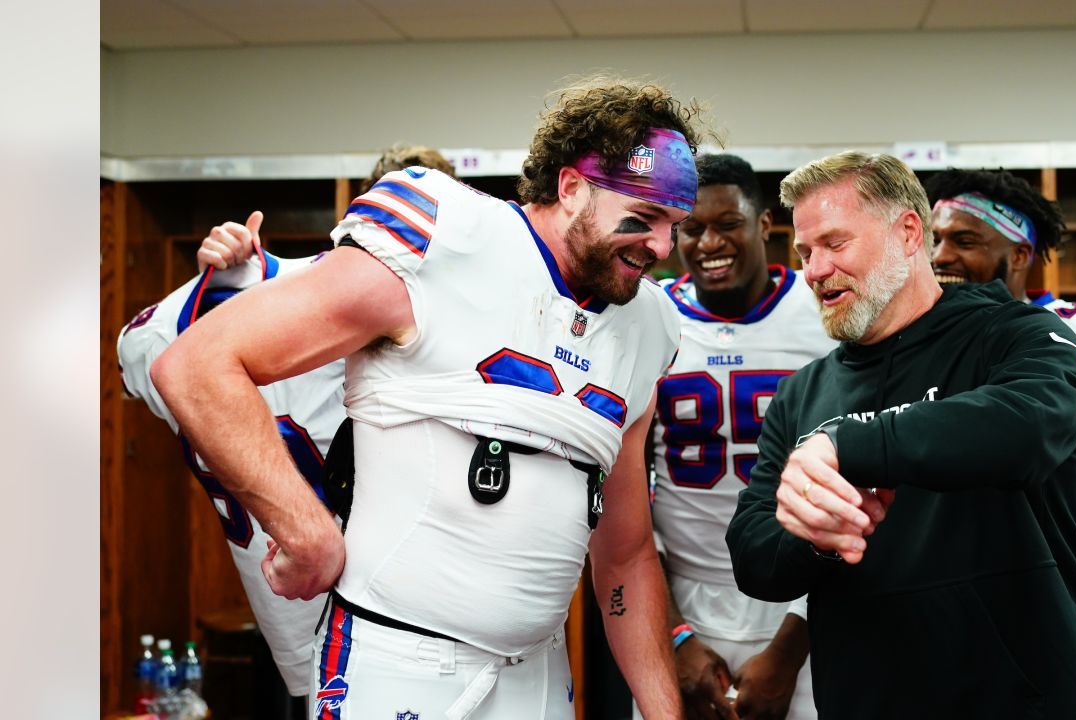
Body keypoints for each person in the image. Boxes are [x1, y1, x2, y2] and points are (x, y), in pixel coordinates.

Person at [151, 77, 706, 719]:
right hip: (398, 669)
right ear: (571, 187)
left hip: (540, 676)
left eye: (673, 225)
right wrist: (307, 534)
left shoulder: (649, 323)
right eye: (642, 218)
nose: (663, 248)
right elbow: (196, 364)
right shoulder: (445, 235)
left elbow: (626, 552)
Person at [726, 151, 1076, 717]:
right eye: (804, 253)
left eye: (835, 244)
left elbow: (1033, 423)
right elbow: (753, 556)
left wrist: (850, 444)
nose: (813, 271)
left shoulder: (1017, 334)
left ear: (908, 233)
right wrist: (816, 535)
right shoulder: (802, 395)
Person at [117, 147, 458, 715]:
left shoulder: (253, 299)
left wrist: (220, 283)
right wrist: (222, 275)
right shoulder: (307, 296)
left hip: (325, 609)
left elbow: (133, 353)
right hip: (374, 607)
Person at [648, 153, 834, 720]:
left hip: (805, 595)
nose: (709, 243)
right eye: (692, 227)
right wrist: (674, 636)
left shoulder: (823, 308)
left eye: (727, 224)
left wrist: (790, 648)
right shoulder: (647, 315)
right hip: (681, 594)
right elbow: (624, 497)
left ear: (764, 226)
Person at [927, 168, 1076, 594]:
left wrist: (953, 539)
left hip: (1040, 609)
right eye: (933, 240)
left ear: (1020, 256)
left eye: (964, 241)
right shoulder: (903, 337)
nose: (939, 257)